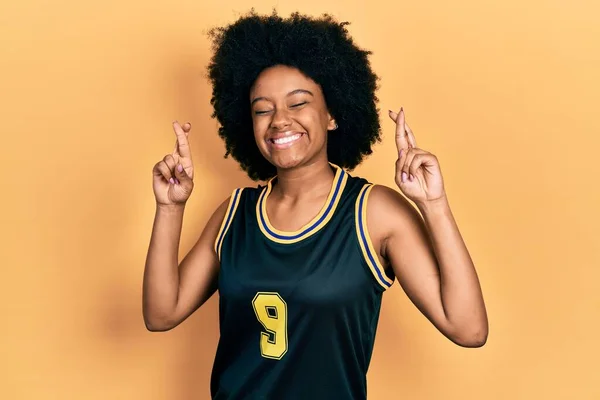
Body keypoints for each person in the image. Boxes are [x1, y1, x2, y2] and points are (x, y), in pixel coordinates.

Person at [142, 10, 488, 400]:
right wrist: (170, 207)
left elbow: (468, 329)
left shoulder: (372, 212)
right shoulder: (233, 213)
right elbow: (161, 313)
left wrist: (434, 204)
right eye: (262, 109)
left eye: (298, 103)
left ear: (332, 115)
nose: (279, 120)